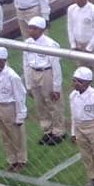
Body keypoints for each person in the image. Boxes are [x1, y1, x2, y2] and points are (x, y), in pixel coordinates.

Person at [23, 16, 66, 146]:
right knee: (39, 104)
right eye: (29, 28)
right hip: (33, 72)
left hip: (46, 72)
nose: (30, 30)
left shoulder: (50, 44)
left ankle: (59, 131)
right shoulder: (27, 42)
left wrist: (56, 87)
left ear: (41, 29)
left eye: (34, 28)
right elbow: (25, 64)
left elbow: (56, 67)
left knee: (52, 102)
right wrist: (28, 84)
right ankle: (47, 131)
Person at [0, 46, 28, 172]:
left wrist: (20, 115)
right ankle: (12, 160)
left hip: (9, 107)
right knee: (4, 136)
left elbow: (20, 96)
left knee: (16, 135)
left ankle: (21, 160)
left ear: (2, 60)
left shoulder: (12, 76)